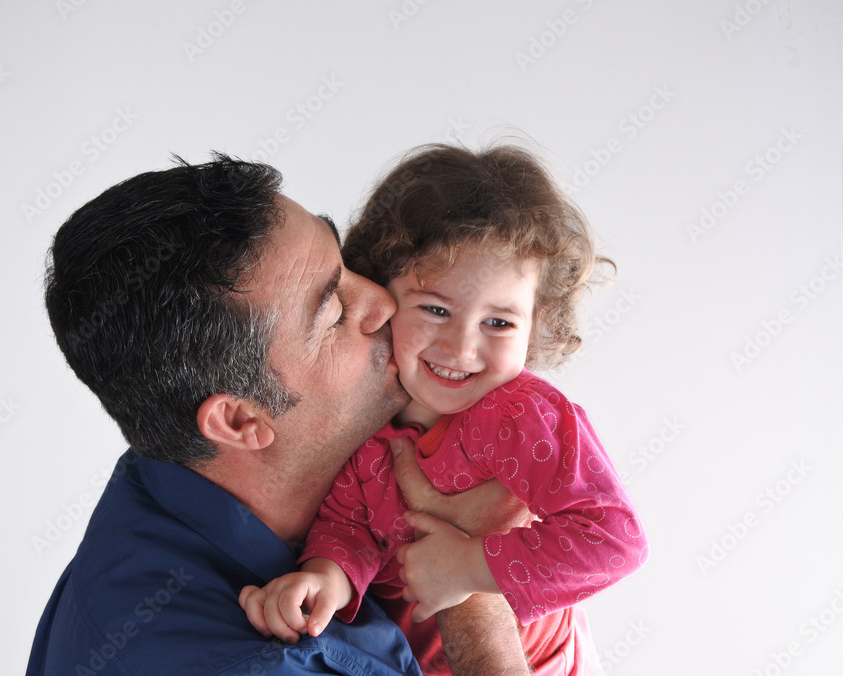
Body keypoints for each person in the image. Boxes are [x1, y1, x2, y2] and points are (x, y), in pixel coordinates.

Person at [25, 153, 535, 675]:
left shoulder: (168, 471)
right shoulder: (260, 664)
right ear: (241, 422)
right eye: (333, 311)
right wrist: (469, 570)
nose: (382, 302)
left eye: (345, 267)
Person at [238, 144, 649, 674]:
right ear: (384, 294)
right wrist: (325, 576)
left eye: (499, 323)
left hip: (536, 660)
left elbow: (614, 540)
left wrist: (468, 566)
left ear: (537, 321)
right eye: (435, 309)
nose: (460, 348)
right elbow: (348, 521)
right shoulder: (369, 405)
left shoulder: (522, 418)